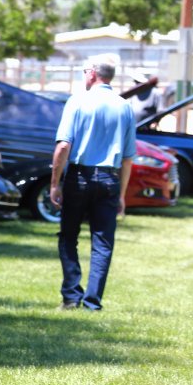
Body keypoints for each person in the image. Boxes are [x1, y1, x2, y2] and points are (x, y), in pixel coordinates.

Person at [49, 61, 136, 312]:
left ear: (92, 74)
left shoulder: (77, 101)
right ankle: (92, 301)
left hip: (79, 176)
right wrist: (121, 194)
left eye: (84, 72)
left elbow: (63, 146)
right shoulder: (125, 107)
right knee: (103, 243)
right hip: (110, 178)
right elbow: (129, 158)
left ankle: (71, 295)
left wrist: (55, 183)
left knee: (68, 237)